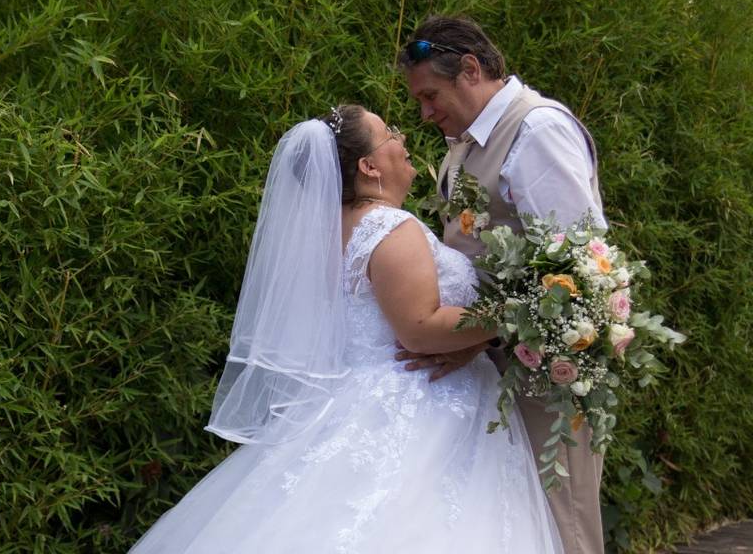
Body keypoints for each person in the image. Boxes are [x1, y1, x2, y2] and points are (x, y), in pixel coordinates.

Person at [129, 105, 563, 553]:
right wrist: (527, 313)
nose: (403, 138)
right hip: (423, 403)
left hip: (356, 392)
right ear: (369, 166)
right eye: (389, 133)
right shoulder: (390, 226)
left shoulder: (330, 228)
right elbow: (419, 328)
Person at [395, 15, 607, 554]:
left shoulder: (537, 130)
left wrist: (478, 336)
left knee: (561, 521)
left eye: (430, 95)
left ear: (469, 69)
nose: (424, 112)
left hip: (549, 372)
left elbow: (577, 272)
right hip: (496, 367)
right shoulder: (465, 142)